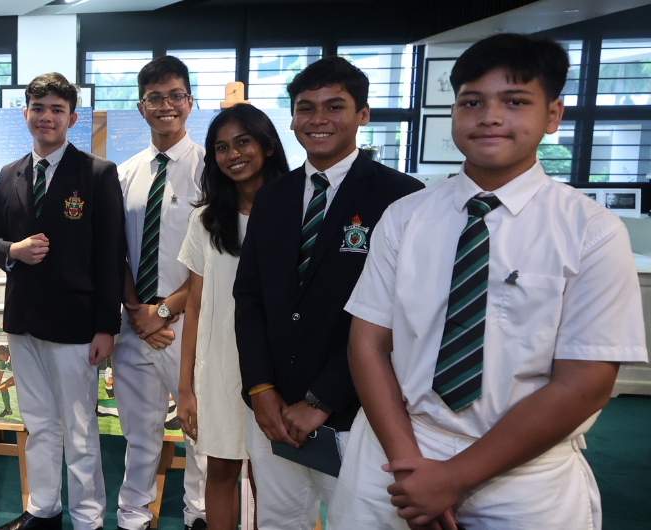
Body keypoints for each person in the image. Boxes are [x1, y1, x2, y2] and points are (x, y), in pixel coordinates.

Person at [331, 33, 647, 530]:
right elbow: (368, 344)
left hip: (521, 468)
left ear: (553, 115)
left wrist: (453, 478)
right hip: (397, 450)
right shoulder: (405, 216)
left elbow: (584, 383)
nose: (490, 117)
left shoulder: (590, 231)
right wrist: (412, 467)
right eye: (472, 102)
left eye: (515, 101)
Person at [232, 56, 424, 530]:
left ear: (363, 114)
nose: (318, 119)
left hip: (357, 411)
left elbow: (397, 314)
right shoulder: (272, 196)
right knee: (277, 522)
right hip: (274, 409)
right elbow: (249, 297)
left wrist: (321, 400)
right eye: (306, 107)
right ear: (292, 118)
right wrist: (260, 388)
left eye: (334, 106)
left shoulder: (402, 197)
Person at [0, 72, 125, 530]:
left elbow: (111, 255)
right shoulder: (9, 174)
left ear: (72, 118)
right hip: (23, 322)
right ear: (26, 113)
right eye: (38, 108)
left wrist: (107, 327)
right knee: (39, 424)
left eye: (57, 110)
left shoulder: (97, 173)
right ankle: (43, 510)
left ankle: (87, 519)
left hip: (76, 325)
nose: (46, 117)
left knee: (79, 430)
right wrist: (14, 251)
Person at [176, 104, 289, 530]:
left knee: (271, 477)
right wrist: (185, 388)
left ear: (268, 145)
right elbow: (195, 304)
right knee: (220, 472)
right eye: (222, 147)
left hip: (277, 370)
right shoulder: (206, 220)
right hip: (221, 368)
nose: (233, 154)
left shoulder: (295, 212)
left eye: (243, 142)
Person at [111, 56, 208, 530]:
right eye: (155, 98)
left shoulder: (211, 170)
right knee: (138, 432)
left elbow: (216, 260)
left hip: (192, 323)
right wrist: (137, 310)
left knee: (199, 430)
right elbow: (117, 252)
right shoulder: (125, 173)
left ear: (189, 102)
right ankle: (133, 515)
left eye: (175, 96)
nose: (166, 105)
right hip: (135, 325)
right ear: (141, 106)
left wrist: (164, 312)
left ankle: (199, 515)